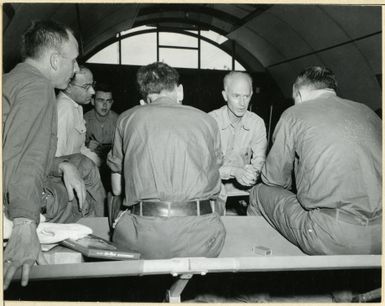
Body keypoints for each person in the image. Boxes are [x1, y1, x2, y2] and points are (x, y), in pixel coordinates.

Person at [3, 20, 107, 290]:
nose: (75, 69)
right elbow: (25, 158)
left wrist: (61, 164)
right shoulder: (38, 88)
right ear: (53, 60)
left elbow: (12, 148)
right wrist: (25, 225)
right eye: (73, 61)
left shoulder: (12, 80)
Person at [247, 66, 382, 255]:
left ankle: (257, 255)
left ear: (299, 94)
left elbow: (274, 180)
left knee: (260, 192)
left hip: (331, 235)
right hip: (379, 236)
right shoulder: (368, 112)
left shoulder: (295, 113)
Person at [107, 62, 226, 259]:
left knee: (113, 196)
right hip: (203, 241)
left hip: (142, 241)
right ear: (179, 91)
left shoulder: (127, 119)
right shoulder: (207, 120)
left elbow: (117, 189)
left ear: (146, 97)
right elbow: (217, 180)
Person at [209, 71, 267, 212]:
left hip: (245, 188)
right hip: (213, 188)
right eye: (236, 96)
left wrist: (252, 174)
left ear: (251, 95)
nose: (242, 103)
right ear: (225, 95)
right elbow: (205, 169)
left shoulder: (257, 123)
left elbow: (259, 160)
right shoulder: (210, 122)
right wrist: (234, 172)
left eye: (246, 96)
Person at [56, 66, 101, 167]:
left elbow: (79, 148)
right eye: (86, 87)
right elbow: (57, 156)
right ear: (68, 87)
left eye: (92, 85)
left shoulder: (76, 106)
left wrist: (97, 161)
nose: (92, 91)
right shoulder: (64, 109)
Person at [84, 83, 119, 191]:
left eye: (108, 101)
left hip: (111, 168)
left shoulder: (119, 120)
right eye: (100, 100)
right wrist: (86, 145)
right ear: (93, 101)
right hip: (92, 167)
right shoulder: (84, 119)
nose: (105, 105)